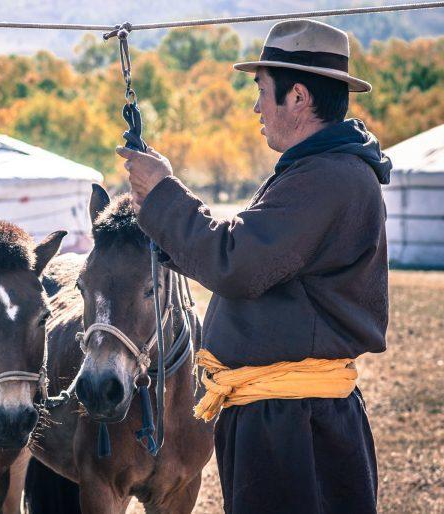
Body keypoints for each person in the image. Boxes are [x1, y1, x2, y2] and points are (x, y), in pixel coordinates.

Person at [117, 19, 392, 514]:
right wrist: (160, 218)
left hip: (294, 422)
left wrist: (162, 193)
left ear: (299, 96)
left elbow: (237, 264)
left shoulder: (328, 178)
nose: (255, 106)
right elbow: (250, 252)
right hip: (285, 416)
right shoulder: (318, 172)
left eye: (262, 91)